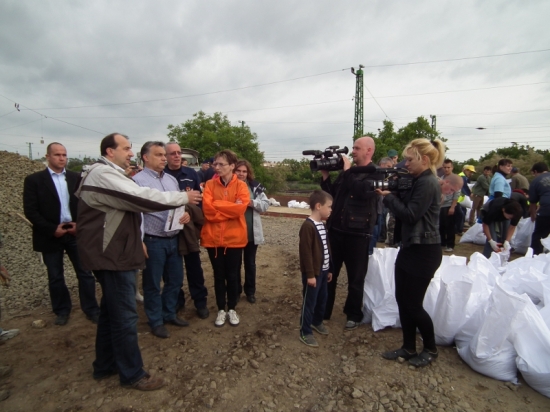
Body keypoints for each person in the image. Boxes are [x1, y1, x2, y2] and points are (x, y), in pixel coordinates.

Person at [76, 133, 202, 391]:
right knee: (125, 315)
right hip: (113, 255)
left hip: (114, 252)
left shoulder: (108, 173)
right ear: (109, 152)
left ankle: (105, 364)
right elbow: (140, 198)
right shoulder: (104, 174)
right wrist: (183, 198)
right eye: (126, 148)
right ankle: (133, 374)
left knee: (111, 313)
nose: (130, 153)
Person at [377, 138, 446, 367]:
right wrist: (395, 189)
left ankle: (431, 349)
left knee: (413, 304)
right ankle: (408, 347)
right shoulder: (417, 180)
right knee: (402, 300)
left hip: (424, 251)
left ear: (424, 159)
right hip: (411, 247)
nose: (405, 164)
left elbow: (410, 214)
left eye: (409, 160)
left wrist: (388, 197)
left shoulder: (428, 183)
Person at [23, 142, 100, 326]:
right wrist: (52, 229)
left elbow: (86, 204)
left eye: (64, 155)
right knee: (56, 276)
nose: (61, 158)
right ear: (48, 157)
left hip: (74, 232)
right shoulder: (34, 180)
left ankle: (91, 309)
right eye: (57, 155)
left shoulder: (76, 178)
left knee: (85, 273)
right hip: (50, 234)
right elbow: (31, 210)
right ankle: (62, 310)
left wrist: (79, 225)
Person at [320, 136, 380, 330]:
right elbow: (332, 195)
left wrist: (347, 171)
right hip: (336, 231)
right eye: (353, 148)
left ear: (369, 151)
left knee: (356, 278)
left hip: (358, 235)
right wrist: (325, 176)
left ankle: (353, 314)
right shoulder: (349, 172)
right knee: (330, 273)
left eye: (356, 148)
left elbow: (362, 191)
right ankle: (324, 310)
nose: (352, 152)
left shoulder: (375, 173)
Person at [133, 141, 190, 339]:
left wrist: (185, 215)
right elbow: (135, 215)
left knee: (175, 280)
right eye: (159, 155)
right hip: (153, 240)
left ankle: (169, 313)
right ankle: (155, 321)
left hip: (173, 238)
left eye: (164, 155)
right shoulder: (137, 182)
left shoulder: (171, 180)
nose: (164, 158)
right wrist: (139, 240)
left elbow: (178, 204)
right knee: (152, 284)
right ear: (145, 157)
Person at [201, 150, 249, 327]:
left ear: (232, 166)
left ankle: (232, 308)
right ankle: (221, 308)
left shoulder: (241, 186)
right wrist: (229, 208)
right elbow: (208, 210)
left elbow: (240, 209)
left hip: (234, 239)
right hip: (212, 239)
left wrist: (218, 206)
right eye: (215, 164)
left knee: (233, 275)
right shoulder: (209, 185)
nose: (217, 167)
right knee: (218, 275)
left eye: (221, 164)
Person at [164, 142, 209, 319]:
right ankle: (177, 300)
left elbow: (199, 200)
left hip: (188, 228)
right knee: (171, 270)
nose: (176, 156)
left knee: (194, 267)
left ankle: (200, 301)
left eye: (178, 153)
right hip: (169, 229)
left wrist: (192, 214)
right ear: (166, 156)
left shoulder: (191, 174)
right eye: (172, 153)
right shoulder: (162, 175)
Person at [299, 190, 333, 347]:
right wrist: (310, 275)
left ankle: (316, 321)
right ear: (319, 206)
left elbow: (326, 248)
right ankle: (305, 331)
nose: (331, 210)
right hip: (313, 274)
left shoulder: (322, 225)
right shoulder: (308, 226)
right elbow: (306, 253)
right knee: (309, 302)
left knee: (322, 299)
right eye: (329, 206)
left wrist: (329, 268)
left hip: (323, 271)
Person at [235, 160, 269, 303]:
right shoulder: (229, 186)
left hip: (251, 234)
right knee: (235, 264)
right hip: (235, 234)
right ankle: (235, 291)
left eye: (244, 171)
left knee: (250, 263)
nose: (241, 174)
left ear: (248, 173)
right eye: (238, 171)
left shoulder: (255, 187)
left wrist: (251, 202)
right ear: (233, 171)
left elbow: (265, 205)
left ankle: (250, 291)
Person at [370, 157, 393, 254]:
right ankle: (370, 254)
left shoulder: (386, 176)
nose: (390, 169)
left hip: (380, 208)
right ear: (382, 165)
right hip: (374, 209)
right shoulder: (376, 174)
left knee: (378, 233)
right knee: (374, 234)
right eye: (388, 166)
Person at [439, 159, 460, 253]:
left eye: (448, 167)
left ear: (452, 168)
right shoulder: (442, 178)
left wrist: (452, 207)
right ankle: (442, 243)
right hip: (441, 205)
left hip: (450, 204)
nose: (446, 169)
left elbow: (456, 194)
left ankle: (450, 244)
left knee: (450, 226)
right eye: (445, 167)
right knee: (441, 225)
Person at [529, 162, 550, 255]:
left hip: (546, 211)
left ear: (535, 171)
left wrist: (533, 215)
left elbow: (532, 202)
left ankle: (537, 255)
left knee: (539, 234)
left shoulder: (536, 181)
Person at [456, 165, 474, 232]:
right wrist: (469, 194)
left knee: (463, 212)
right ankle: (459, 229)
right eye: (470, 172)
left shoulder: (462, 176)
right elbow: (464, 187)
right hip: (459, 199)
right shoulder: (462, 177)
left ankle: (460, 227)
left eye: (472, 172)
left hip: (460, 199)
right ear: (465, 170)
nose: (471, 174)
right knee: (461, 214)